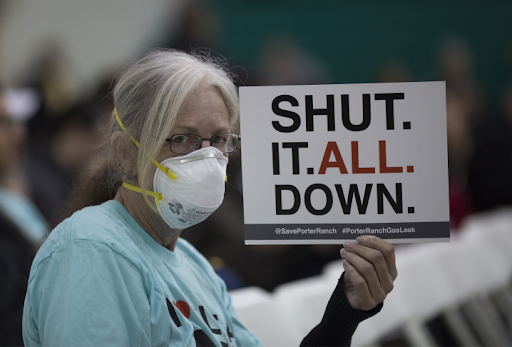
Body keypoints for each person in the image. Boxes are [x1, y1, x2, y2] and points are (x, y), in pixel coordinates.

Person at [22, 50, 397, 346]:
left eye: (219, 140)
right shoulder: (91, 251)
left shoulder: (193, 265)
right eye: (182, 139)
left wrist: (344, 312)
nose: (206, 159)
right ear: (126, 153)